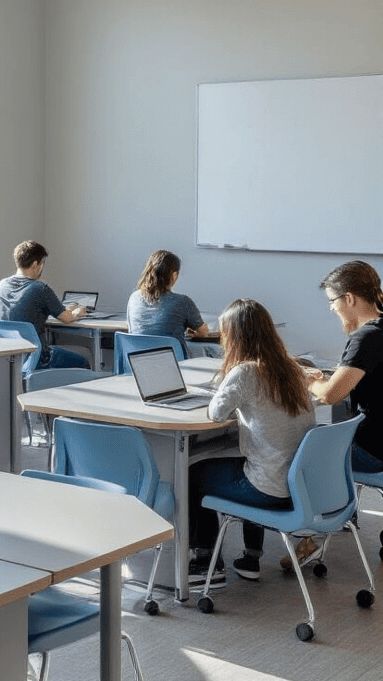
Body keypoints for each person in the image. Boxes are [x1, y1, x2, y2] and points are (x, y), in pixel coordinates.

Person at [188, 298, 315, 587]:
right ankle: (250, 557)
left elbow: (216, 413)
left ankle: (206, 563)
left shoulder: (245, 372)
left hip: (268, 488)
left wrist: (227, 385)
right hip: (297, 487)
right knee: (252, 462)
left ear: (235, 337)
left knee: (194, 474)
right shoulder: (294, 369)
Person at [305, 261, 383, 477]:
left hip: (372, 452)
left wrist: (310, 381)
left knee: (297, 446)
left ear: (349, 298)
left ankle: (323, 510)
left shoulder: (366, 337)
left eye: (332, 301)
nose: (331, 308)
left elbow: (332, 395)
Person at [0, 240, 91, 370]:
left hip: (11, 357)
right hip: (38, 358)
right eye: (42, 263)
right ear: (36, 264)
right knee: (84, 360)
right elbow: (67, 318)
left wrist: (68, 308)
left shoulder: (2, 285)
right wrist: (78, 312)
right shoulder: (40, 288)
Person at [127, 250, 217, 356]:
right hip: (174, 365)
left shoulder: (134, 298)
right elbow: (203, 332)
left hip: (138, 363)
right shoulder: (183, 302)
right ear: (174, 275)